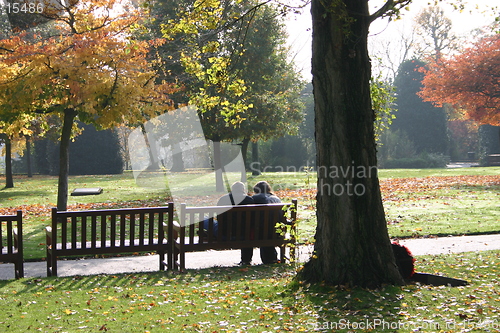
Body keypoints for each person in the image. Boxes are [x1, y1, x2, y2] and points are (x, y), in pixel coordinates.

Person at [216, 181, 254, 266]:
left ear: (232, 189)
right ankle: (246, 260)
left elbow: (219, 218)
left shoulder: (223, 199)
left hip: (226, 232)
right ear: (243, 190)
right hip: (245, 233)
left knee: (207, 221)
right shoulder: (249, 200)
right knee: (247, 230)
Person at [252, 181, 281, 264]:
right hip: (277, 231)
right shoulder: (276, 199)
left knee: (261, 227)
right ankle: (272, 258)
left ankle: (246, 259)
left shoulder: (256, 198)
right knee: (266, 226)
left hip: (263, 232)